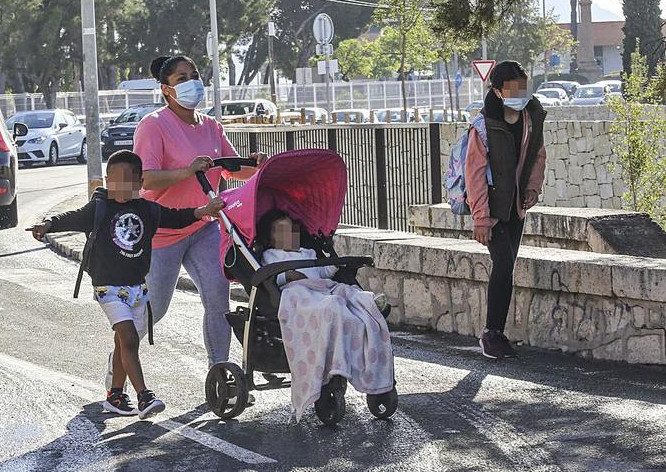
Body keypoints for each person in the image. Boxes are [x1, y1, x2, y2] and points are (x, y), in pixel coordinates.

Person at [28, 150, 226, 418]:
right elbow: (72, 217)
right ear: (107, 180)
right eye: (114, 179)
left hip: (136, 287)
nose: (119, 186)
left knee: (123, 343)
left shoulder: (147, 209)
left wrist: (205, 211)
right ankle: (145, 396)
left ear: (139, 182)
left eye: (126, 179)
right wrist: (48, 224)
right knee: (130, 338)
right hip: (107, 288)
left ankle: (115, 395)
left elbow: (177, 217)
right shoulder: (99, 208)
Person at [133, 55, 265, 366]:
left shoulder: (211, 126)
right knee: (157, 307)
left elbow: (232, 169)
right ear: (167, 89)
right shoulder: (153, 126)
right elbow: (145, 178)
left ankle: (219, 371)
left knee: (219, 298)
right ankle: (119, 360)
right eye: (182, 78)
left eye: (194, 75)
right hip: (163, 232)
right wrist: (187, 171)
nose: (192, 82)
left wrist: (255, 164)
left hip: (204, 226)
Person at [258, 209, 395, 420]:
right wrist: (288, 274)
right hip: (299, 294)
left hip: (323, 288)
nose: (288, 236)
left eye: (291, 231)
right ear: (270, 238)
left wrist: (336, 265)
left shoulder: (308, 253)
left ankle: (366, 303)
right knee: (331, 303)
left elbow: (324, 272)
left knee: (347, 295)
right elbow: (272, 279)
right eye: (281, 232)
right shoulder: (271, 256)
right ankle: (340, 308)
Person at [464, 60, 547, 359]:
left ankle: (496, 334)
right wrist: (481, 218)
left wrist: (532, 189)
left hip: (516, 208)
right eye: (511, 88)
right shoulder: (483, 126)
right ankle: (491, 334)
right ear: (497, 92)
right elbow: (474, 174)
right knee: (502, 264)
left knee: (508, 267)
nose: (518, 93)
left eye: (522, 86)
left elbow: (538, 155)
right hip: (492, 208)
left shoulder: (530, 118)